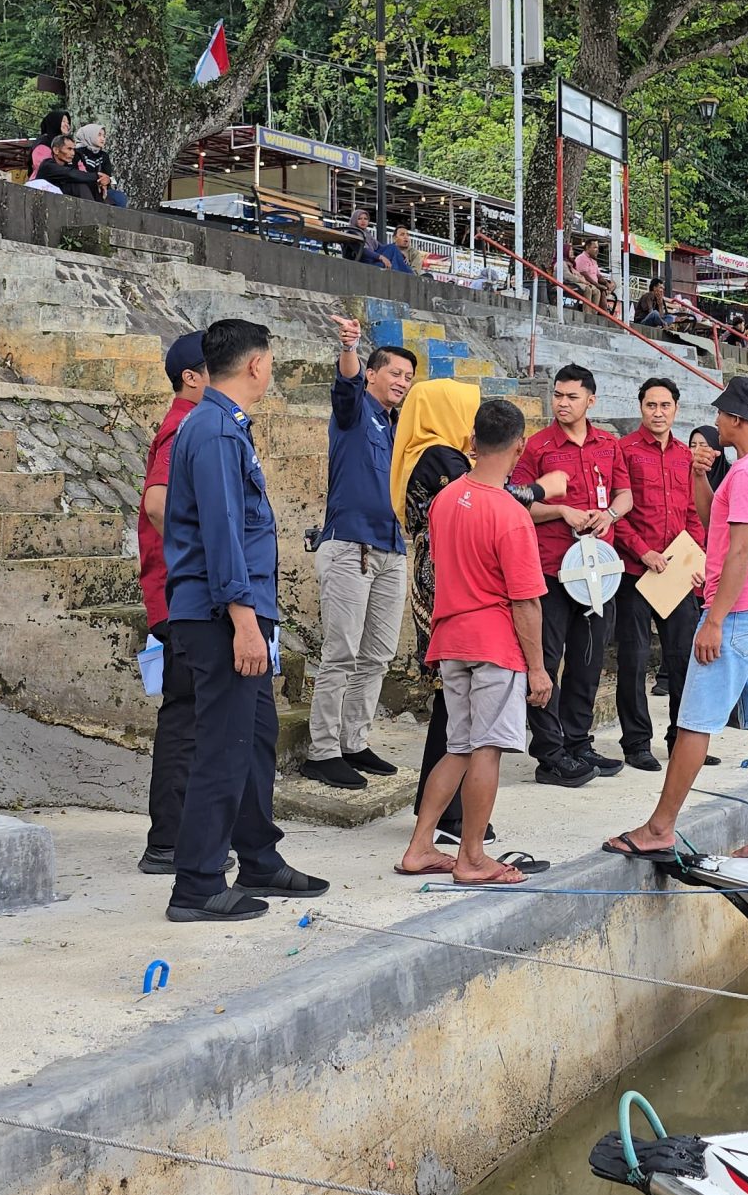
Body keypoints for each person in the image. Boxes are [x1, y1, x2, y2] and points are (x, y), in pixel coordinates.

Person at [162, 316, 326, 922]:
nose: (271, 369)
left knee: (254, 740)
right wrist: (245, 619)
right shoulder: (213, 431)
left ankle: (257, 854)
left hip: (235, 611)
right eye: (271, 360)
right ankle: (198, 885)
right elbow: (222, 532)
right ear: (256, 364)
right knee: (223, 749)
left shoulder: (224, 426)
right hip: (221, 615)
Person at [606, 373, 748, 864]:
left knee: (693, 722)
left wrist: (713, 620)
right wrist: (697, 476)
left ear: (736, 419)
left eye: (720, 414)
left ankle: (659, 828)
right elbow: (718, 526)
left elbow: (738, 553)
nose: (714, 422)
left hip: (742, 608)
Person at [392, 379, 566, 853]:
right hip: (493, 644)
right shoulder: (510, 513)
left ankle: (420, 844)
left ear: (472, 442)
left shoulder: (446, 500)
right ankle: (472, 854)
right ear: (519, 446)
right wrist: (538, 669)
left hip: (451, 637)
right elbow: (527, 601)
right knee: (486, 751)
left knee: (458, 747)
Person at [304, 318, 416, 790]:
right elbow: (345, 382)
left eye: (409, 378)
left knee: (377, 655)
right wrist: (349, 344)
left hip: (391, 548)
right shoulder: (353, 411)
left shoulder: (399, 429)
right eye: (395, 373)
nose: (402, 383)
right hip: (352, 547)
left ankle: (354, 740)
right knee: (341, 652)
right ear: (372, 374)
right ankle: (323, 749)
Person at [510, 363, 632, 785]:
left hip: (597, 571)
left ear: (590, 400)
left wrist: (609, 514)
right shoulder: (538, 447)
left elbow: (625, 494)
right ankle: (550, 753)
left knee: (588, 659)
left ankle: (578, 742)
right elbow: (521, 502)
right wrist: (561, 509)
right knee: (545, 660)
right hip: (550, 570)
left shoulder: (608, 445)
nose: (561, 403)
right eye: (557, 395)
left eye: (571, 397)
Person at [135, 331, 209, 873]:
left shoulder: (188, 425)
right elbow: (158, 505)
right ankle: (166, 841)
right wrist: (203, 559)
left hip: (179, 593)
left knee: (190, 716)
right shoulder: (183, 426)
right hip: (179, 596)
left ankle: (178, 835)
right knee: (184, 717)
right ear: (192, 376)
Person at [614, 375, 707, 771]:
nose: (658, 412)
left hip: (676, 575)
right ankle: (636, 743)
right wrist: (642, 550)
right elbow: (616, 513)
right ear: (641, 408)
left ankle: (680, 741)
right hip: (637, 571)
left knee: (683, 659)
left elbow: (692, 514)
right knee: (634, 660)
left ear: (676, 409)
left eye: (665, 405)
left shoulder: (686, 456)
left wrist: (696, 557)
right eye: (651, 405)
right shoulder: (625, 451)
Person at [27, 130, 101, 198]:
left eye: (73, 149)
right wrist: (97, 176)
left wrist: (101, 181)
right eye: (69, 149)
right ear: (56, 150)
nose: (73, 153)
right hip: (43, 201)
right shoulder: (47, 165)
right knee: (79, 185)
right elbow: (70, 173)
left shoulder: (67, 166)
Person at [75, 121, 125, 205]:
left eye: (104, 136)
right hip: (83, 188)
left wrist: (108, 180)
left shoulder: (104, 156)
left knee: (120, 197)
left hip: (101, 190)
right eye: (99, 135)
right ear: (89, 135)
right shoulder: (77, 153)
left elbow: (113, 179)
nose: (103, 139)